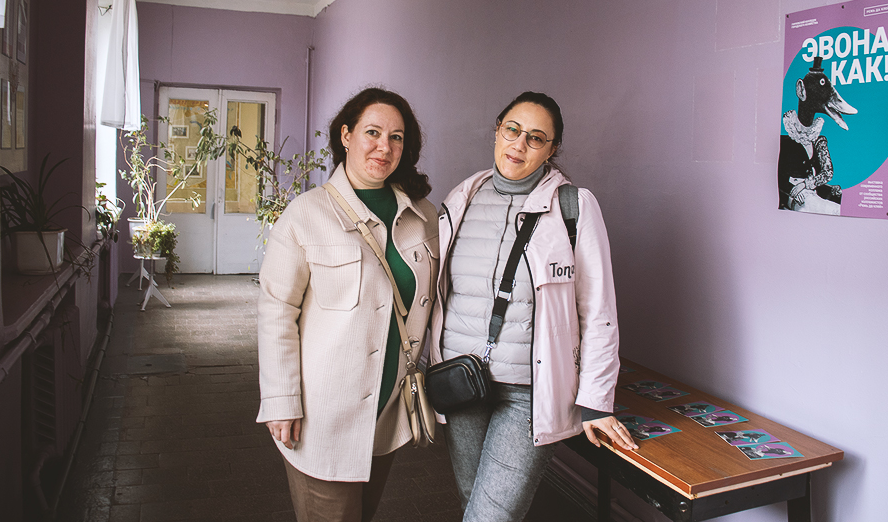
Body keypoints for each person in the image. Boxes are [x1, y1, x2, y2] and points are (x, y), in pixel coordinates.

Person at [429, 91, 634, 522]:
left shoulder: (573, 207)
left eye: (536, 138)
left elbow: (598, 311)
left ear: (551, 149)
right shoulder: (461, 198)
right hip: (462, 380)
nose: (519, 145)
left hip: (528, 393)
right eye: (512, 130)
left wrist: (596, 401)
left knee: (490, 517)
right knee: (472, 501)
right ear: (497, 130)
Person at [256, 87, 438, 522]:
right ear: (346, 135)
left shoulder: (424, 215)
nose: (384, 147)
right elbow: (276, 311)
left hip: (388, 409)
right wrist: (281, 399)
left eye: (396, 137)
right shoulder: (306, 214)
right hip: (324, 412)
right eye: (372, 132)